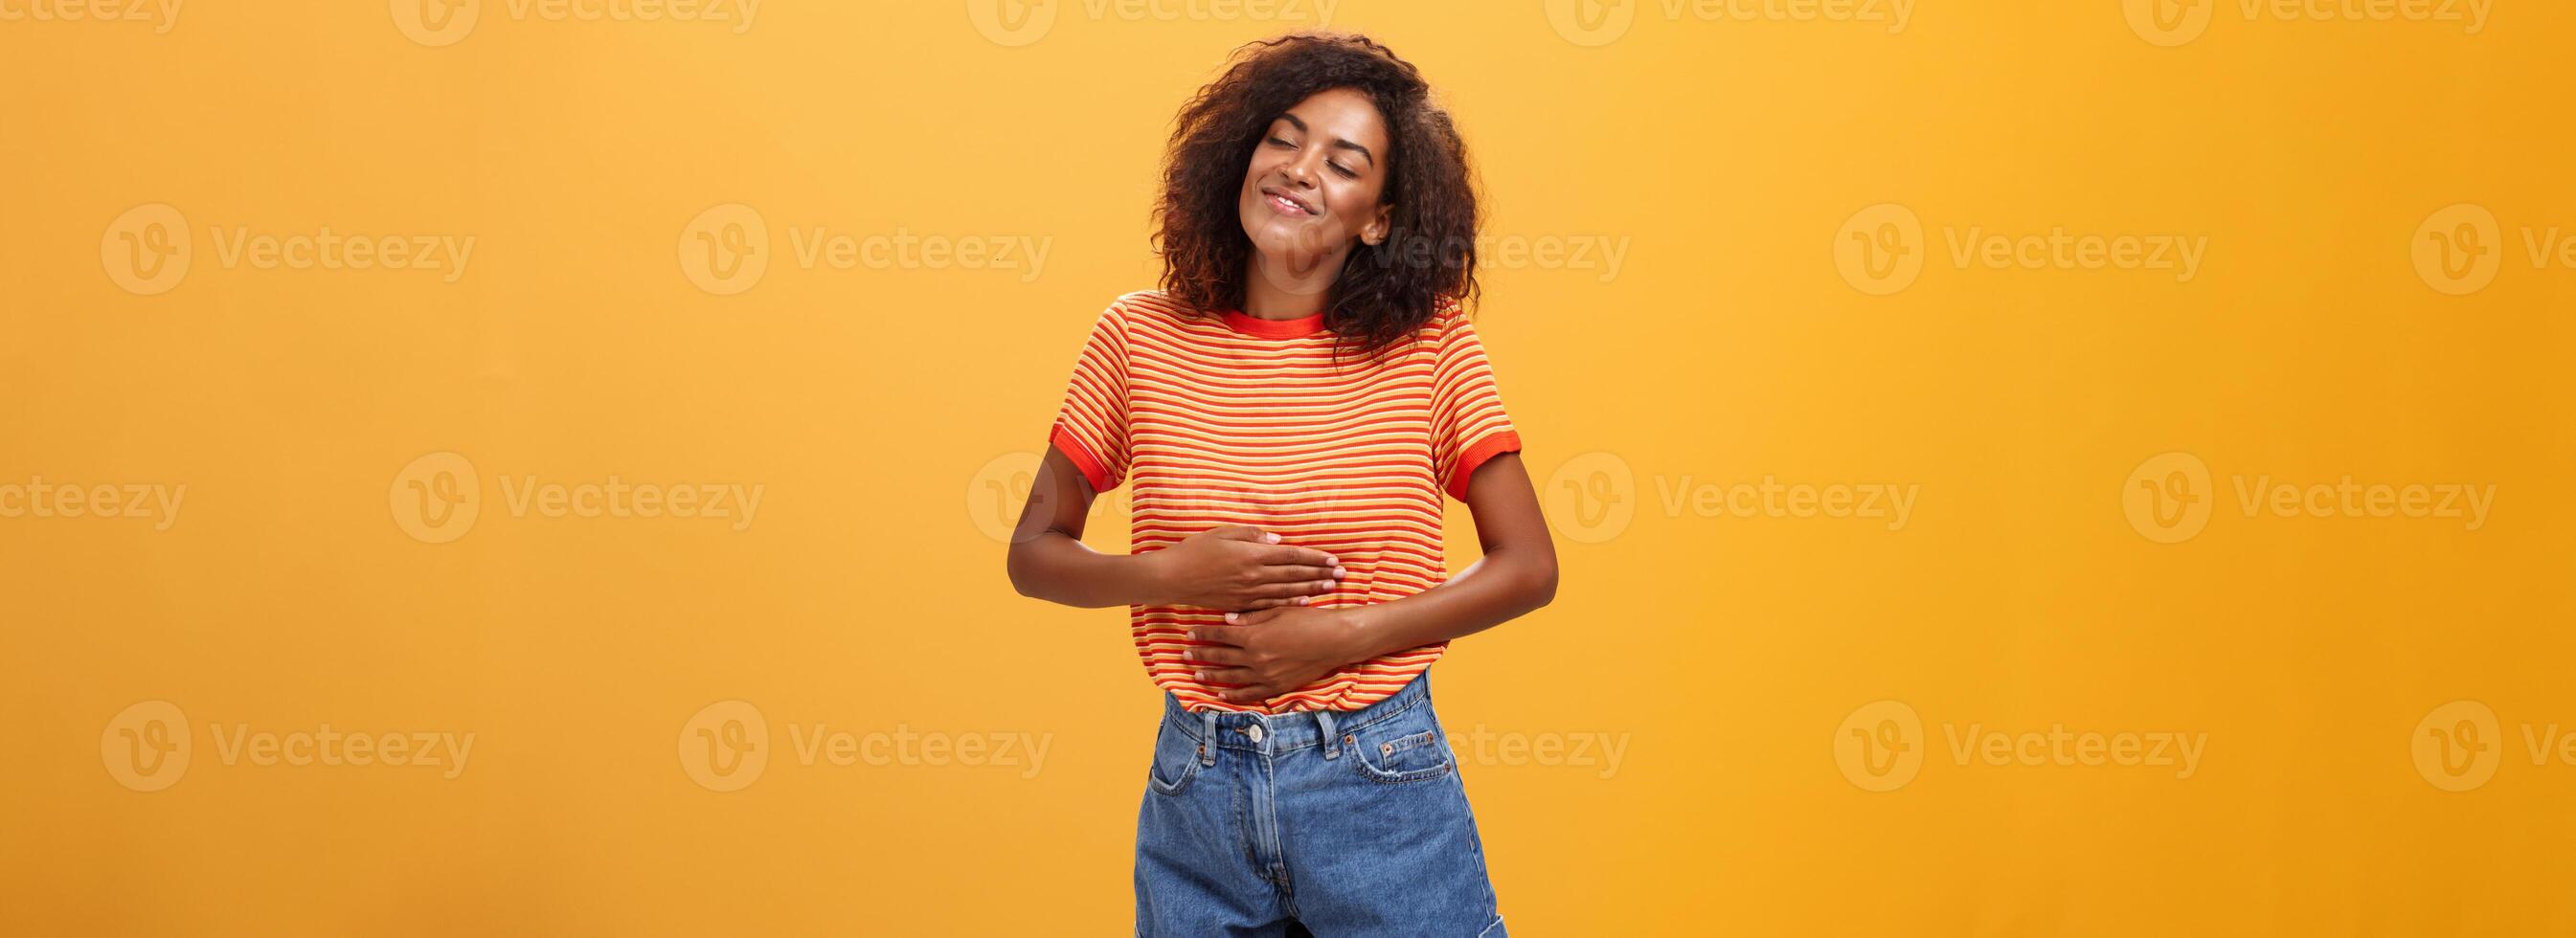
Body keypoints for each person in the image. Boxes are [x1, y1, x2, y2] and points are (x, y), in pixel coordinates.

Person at [1006, 31, 1558, 937]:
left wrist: (1339, 637)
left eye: (1342, 164)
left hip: (1378, 775)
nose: (1299, 170)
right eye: (1283, 139)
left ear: (1377, 217)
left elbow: (1530, 567)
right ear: (1241, 155)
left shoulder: (1430, 346)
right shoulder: (1137, 339)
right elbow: (1033, 554)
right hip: (1196, 790)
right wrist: (1168, 577)